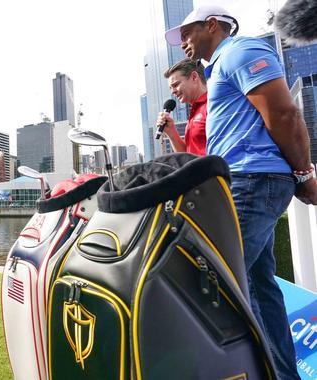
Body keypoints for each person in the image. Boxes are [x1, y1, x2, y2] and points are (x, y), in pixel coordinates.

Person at [165, 5, 317, 379]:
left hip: (254, 182)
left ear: (212, 26)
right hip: (246, 183)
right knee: (260, 291)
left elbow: (284, 114)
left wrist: (304, 174)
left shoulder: (242, 51)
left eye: (186, 32)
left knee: (209, 284)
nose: (182, 42)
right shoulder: (221, 66)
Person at [156, 58, 208, 155]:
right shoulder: (195, 111)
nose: (173, 91)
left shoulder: (212, 105)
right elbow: (187, 155)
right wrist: (171, 132)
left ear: (194, 77)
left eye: (175, 85)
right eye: (171, 88)